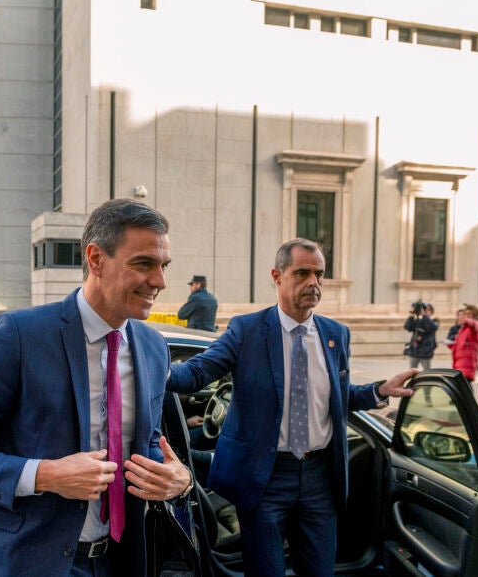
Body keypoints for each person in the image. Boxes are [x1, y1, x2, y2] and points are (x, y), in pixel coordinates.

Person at [0, 199, 192, 576]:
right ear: (96, 259)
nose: (160, 282)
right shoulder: (19, 336)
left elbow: (141, 446)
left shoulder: (153, 348)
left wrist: (179, 480)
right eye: (143, 264)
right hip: (21, 561)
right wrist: (46, 474)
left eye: (163, 266)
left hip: (116, 561)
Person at [168, 238, 416, 577]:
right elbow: (197, 372)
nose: (313, 282)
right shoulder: (247, 330)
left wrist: (379, 391)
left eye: (319, 274)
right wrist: (155, 368)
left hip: (320, 478)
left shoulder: (336, 334)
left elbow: (334, 396)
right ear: (277, 276)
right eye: (302, 273)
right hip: (265, 477)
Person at [450, 304, 478, 383]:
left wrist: (466, 320)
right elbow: (458, 346)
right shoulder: (463, 329)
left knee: (464, 387)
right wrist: (450, 344)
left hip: (467, 365)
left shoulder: (476, 325)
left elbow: (474, 324)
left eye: (469, 314)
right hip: (459, 365)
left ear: (474, 315)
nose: (466, 316)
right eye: (465, 314)